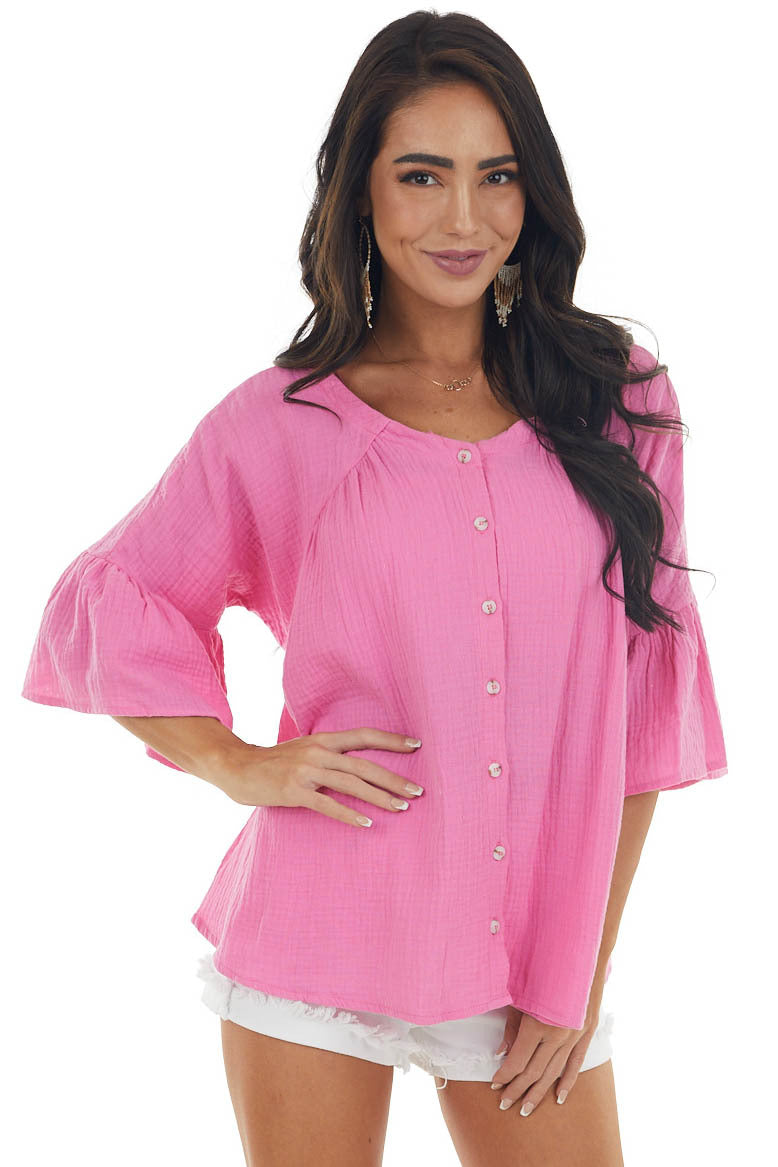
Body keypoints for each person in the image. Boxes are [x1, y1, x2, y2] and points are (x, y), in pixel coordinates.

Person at [21, 11, 729, 1166]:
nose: (464, 220)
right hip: (319, 940)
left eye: (497, 175)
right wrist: (236, 762)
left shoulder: (620, 399)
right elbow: (112, 595)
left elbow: (641, 717)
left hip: (528, 967)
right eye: (421, 175)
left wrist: (575, 978)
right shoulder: (282, 422)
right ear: (361, 191)